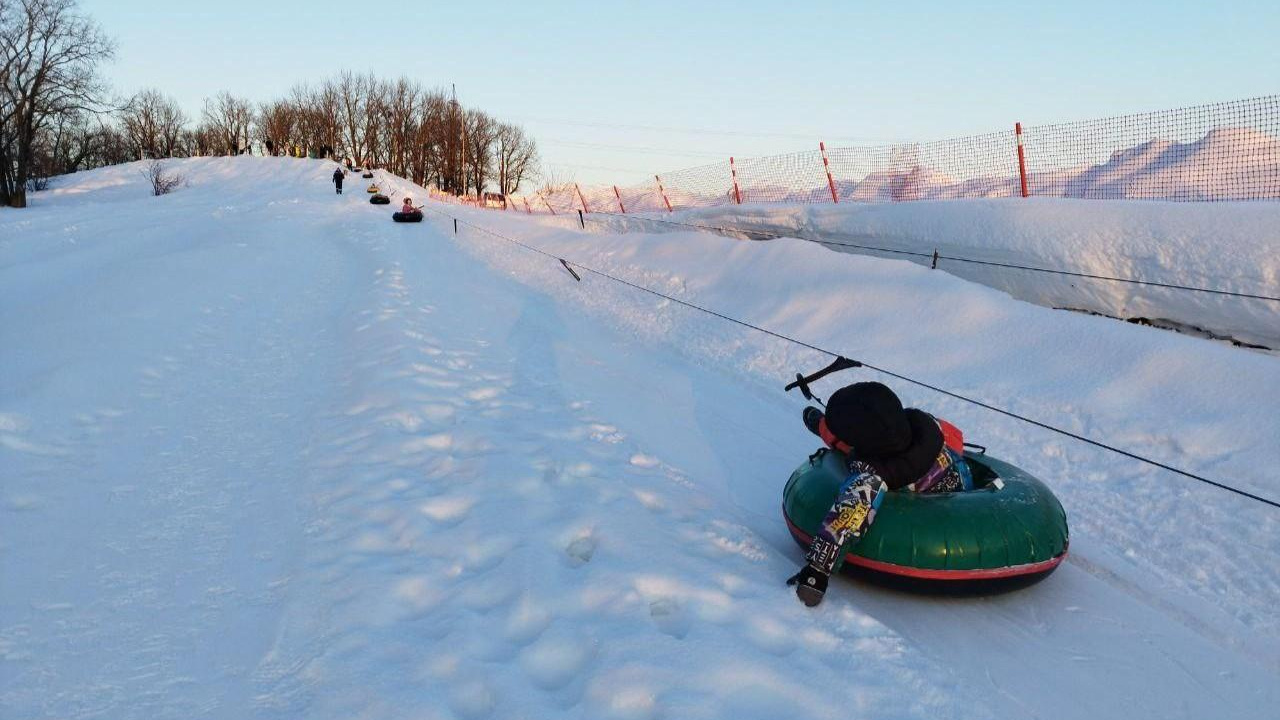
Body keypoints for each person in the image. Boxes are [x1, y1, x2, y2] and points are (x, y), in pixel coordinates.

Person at [787, 381, 972, 606]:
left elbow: (846, 519)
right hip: (960, 476)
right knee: (866, 435)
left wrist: (815, 573)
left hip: (931, 510)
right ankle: (821, 425)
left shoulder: (871, 476)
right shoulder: (926, 424)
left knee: (854, 460)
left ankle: (826, 427)